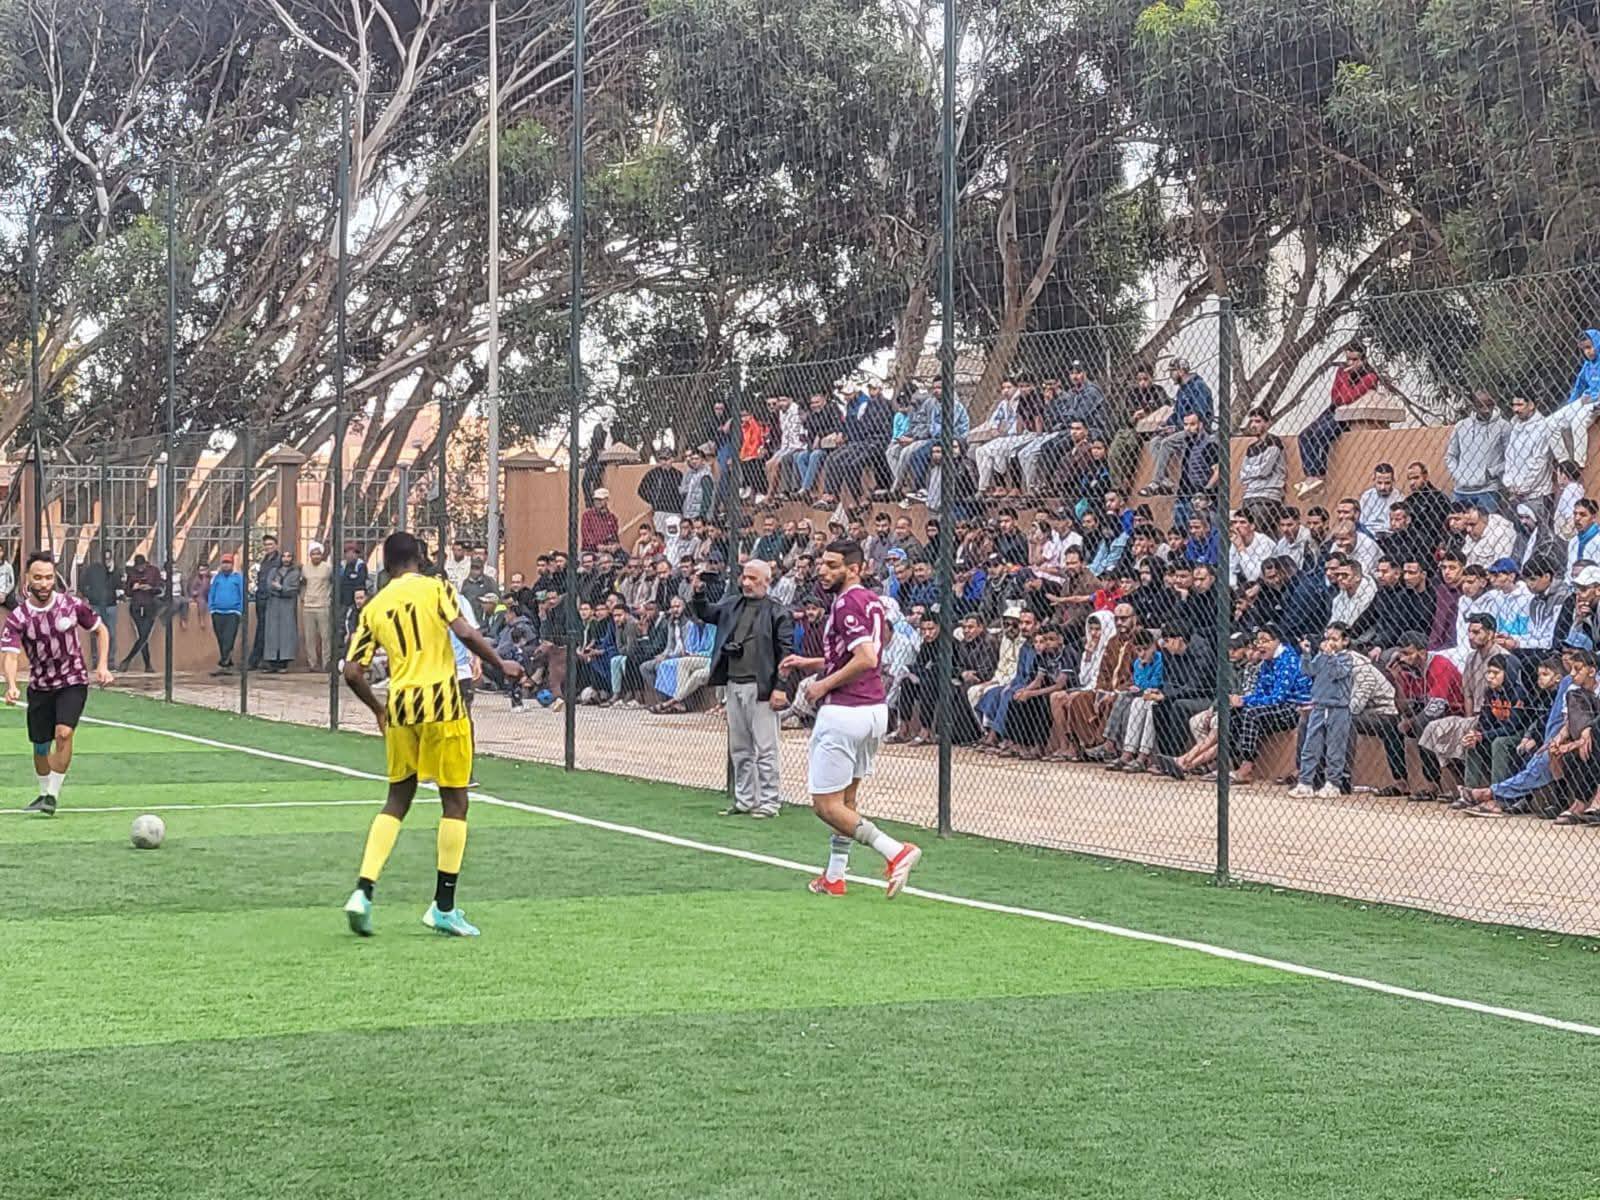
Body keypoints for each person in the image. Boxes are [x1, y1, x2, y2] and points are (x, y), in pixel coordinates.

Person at [341, 532, 524, 938]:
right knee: (455, 802)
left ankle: (363, 892)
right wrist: (501, 664)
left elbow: (352, 671)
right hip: (443, 705)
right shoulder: (436, 588)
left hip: (401, 707)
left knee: (396, 800)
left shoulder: (375, 606)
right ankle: (443, 907)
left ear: (387, 564)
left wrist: (378, 709)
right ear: (420, 557)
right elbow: (465, 632)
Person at [778, 539, 921, 899]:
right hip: (873, 709)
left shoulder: (846, 603)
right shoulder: (872, 600)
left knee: (826, 805)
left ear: (854, 569)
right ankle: (835, 876)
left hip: (845, 710)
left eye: (832, 565)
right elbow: (861, 654)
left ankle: (895, 851)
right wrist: (811, 663)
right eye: (822, 564)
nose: (822, 571)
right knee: (846, 801)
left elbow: (866, 658)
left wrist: (822, 684)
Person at [1, 552, 113, 815]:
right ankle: (43, 793)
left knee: (64, 733)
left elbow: (101, 630)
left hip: (72, 680)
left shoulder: (71, 605)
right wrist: (12, 684)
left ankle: (52, 795)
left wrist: (102, 665)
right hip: (40, 686)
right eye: (38, 578)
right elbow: (10, 655)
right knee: (41, 746)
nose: (44, 583)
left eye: (49, 577)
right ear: (27, 579)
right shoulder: (18, 617)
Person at [691, 559, 794, 819]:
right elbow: (706, 613)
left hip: (761, 686)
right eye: (745, 577)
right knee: (739, 747)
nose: (746, 583)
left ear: (767, 581)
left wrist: (780, 687)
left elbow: (786, 653)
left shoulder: (777, 612)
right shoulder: (732, 604)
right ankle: (745, 798)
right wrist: (699, 593)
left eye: (753, 579)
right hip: (734, 682)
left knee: (765, 748)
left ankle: (770, 801)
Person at [1290, 622, 1354, 799]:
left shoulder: (1347, 658)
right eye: (1327, 638)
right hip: (1319, 705)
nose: (1329, 642)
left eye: (1335, 639)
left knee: (1335, 748)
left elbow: (1338, 673)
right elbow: (1309, 670)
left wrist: (1331, 656)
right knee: (1310, 745)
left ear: (1345, 641)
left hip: (1338, 708)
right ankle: (1305, 782)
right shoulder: (1322, 655)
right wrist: (1306, 653)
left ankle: (1333, 783)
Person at [119, 553, 163, 672]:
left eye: (142, 567)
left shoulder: (154, 571)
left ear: (145, 564)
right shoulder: (132, 573)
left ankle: (127, 660)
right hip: (136, 607)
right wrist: (133, 588)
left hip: (150, 607)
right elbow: (127, 592)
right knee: (142, 636)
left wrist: (150, 588)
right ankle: (147, 665)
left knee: (144, 636)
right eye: (138, 567)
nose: (140, 569)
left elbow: (160, 588)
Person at [77, 549, 119, 669]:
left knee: (111, 633)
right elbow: (82, 584)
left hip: (110, 604)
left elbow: (119, 585)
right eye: (105, 558)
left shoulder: (114, 570)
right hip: (96, 604)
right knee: (95, 632)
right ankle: (96, 660)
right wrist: (90, 595)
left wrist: (112, 571)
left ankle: (110, 661)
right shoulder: (92, 570)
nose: (107, 561)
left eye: (109, 558)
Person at [262, 550, 303, 672]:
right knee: (272, 633)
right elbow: (269, 586)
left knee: (286, 633)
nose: (286, 559)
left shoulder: (295, 573)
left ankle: (283, 663)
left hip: (287, 606)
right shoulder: (273, 571)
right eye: (284, 556)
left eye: (289, 556)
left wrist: (281, 588)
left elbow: (294, 590)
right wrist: (279, 591)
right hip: (273, 605)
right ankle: (272, 662)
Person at [207, 553, 246, 674]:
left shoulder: (238, 578)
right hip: (217, 612)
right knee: (221, 638)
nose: (226, 565)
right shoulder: (217, 578)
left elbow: (243, 594)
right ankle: (227, 663)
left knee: (229, 638)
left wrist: (240, 610)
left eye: (228, 563)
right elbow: (211, 593)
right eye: (224, 563)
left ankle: (223, 663)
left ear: (232, 564)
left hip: (233, 612)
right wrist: (211, 608)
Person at [301, 542, 335, 672]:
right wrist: (303, 598)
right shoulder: (305, 568)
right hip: (308, 606)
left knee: (326, 636)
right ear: (310, 555)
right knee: (309, 637)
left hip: (323, 605)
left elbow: (332, 583)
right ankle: (312, 664)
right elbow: (302, 585)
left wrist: (328, 597)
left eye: (318, 554)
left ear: (322, 555)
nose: (316, 556)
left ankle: (326, 663)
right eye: (313, 554)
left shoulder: (327, 568)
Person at [248, 535, 281, 668]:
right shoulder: (264, 560)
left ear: (276, 545)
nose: (268, 547)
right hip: (261, 597)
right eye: (266, 545)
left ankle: (269, 660)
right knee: (261, 628)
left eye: (271, 544)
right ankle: (258, 659)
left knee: (271, 630)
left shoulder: (279, 560)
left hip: (273, 598)